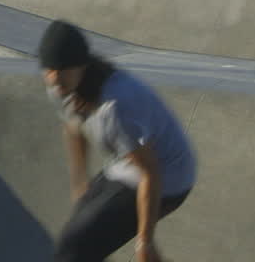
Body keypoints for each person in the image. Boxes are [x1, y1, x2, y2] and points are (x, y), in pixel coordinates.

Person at [39, 20, 196, 262]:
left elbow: (150, 173)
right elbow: (73, 129)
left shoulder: (115, 106)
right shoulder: (62, 88)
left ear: (82, 66)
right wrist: (80, 182)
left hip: (168, 178)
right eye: (48, 70)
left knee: (73, 250)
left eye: (62, 71)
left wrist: (146, 240)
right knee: (74, 242)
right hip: (124, 166)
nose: (54, 79)